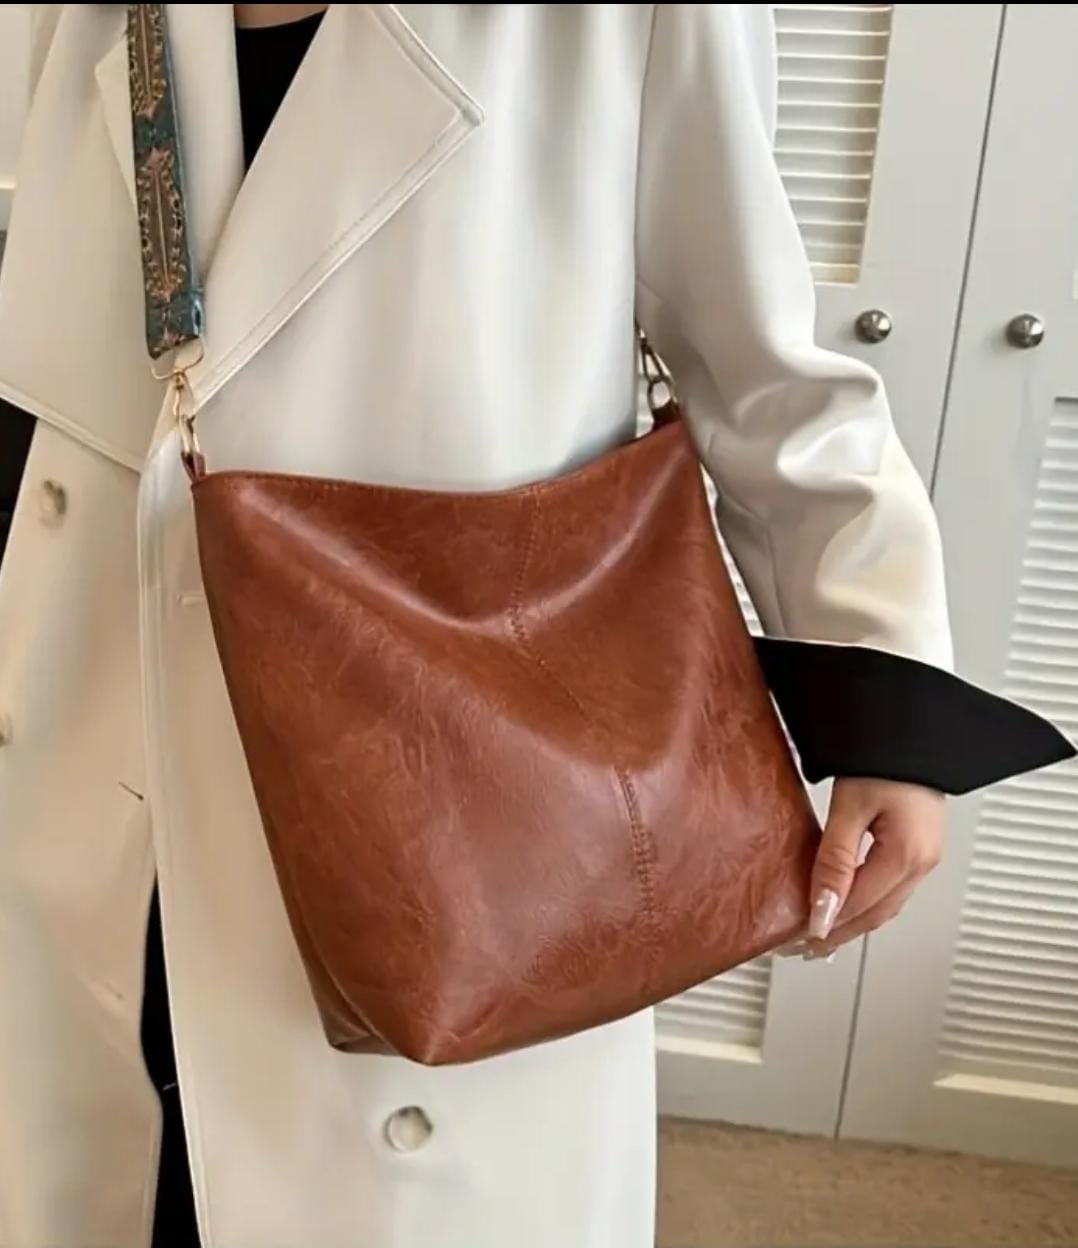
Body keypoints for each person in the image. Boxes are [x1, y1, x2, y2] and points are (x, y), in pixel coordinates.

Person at [0, 5, 1070, 1247]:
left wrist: (889, 697)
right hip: (93, 727)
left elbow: (762, 369)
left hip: (458, 792)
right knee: (102, 1155)